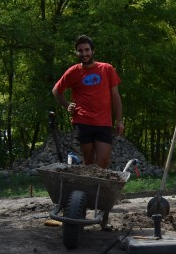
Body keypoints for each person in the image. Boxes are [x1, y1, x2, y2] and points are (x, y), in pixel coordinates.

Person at [52, 35, 124, 168]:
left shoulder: (107, 69)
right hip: (82, 121)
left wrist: (119, 121)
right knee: (89, 162)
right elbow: (56, 90)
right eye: (80, 50)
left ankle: (100, 188)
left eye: (87, 50)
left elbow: (116, 96)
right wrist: (66, 105)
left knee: (102, 162)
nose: (84, 54)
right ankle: (88, 189)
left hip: (104, 122)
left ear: (93, 51)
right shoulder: (73, 72)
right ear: (77, 52)